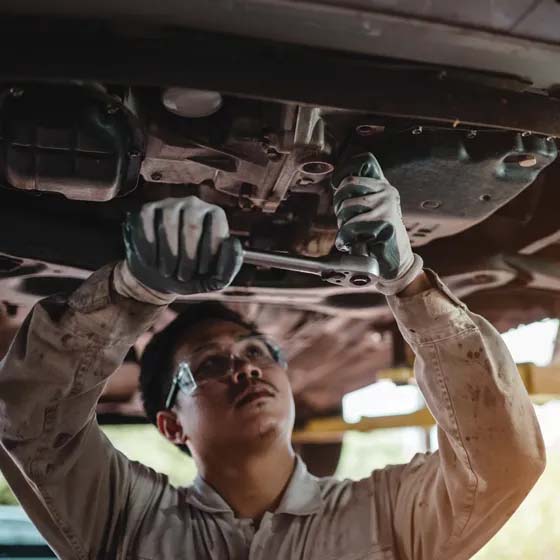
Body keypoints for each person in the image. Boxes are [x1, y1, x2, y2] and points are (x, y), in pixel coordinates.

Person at [0, 154, 545, 560]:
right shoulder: (127, 519)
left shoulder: (385, 515)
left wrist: (410, 282)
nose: (246, 367)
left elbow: (502, 462)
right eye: (210, 365)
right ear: (171, 425)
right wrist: (132, 289)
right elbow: (31, 421)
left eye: (258, 352)